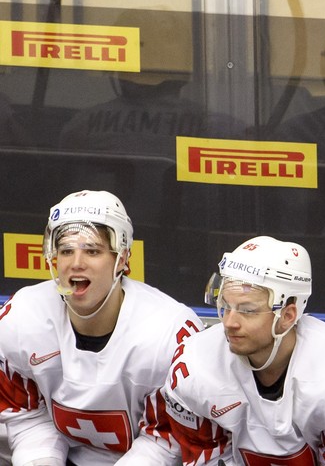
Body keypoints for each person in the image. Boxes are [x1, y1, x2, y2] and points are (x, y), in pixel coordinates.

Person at [0, 189, 204, 465]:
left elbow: (166, 439)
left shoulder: (168, 331)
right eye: (66, 251)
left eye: (93, 251)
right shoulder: (22, 316)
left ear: (121, 259)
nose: (76, 264)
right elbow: (28, 415)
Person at [162, 235, 325, 464]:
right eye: (225, 305)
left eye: (247, 310)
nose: (229, 322)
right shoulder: (193, 364)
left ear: (288, 316)